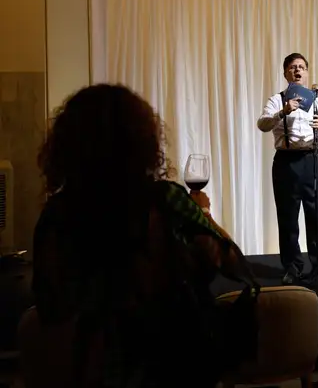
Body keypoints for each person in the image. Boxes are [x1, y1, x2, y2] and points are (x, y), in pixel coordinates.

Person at [32, 84, 260, 388]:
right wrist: (203, 214)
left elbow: (49, 307)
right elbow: (233, 264)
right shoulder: (165, 200)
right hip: (172, 362)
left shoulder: (57, 214)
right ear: (142, 141)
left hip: (94, 366)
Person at [257, 53, 318, 284]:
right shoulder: (276, 100)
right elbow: (262, 124)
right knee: (288, 218)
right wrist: (283, 111)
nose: (298, 71)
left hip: (311, 161)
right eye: (293, 67)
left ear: (307, 72)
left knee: (316, 215)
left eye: (302, 67)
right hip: (285, 163)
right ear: (285, 73)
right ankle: (292, 266)